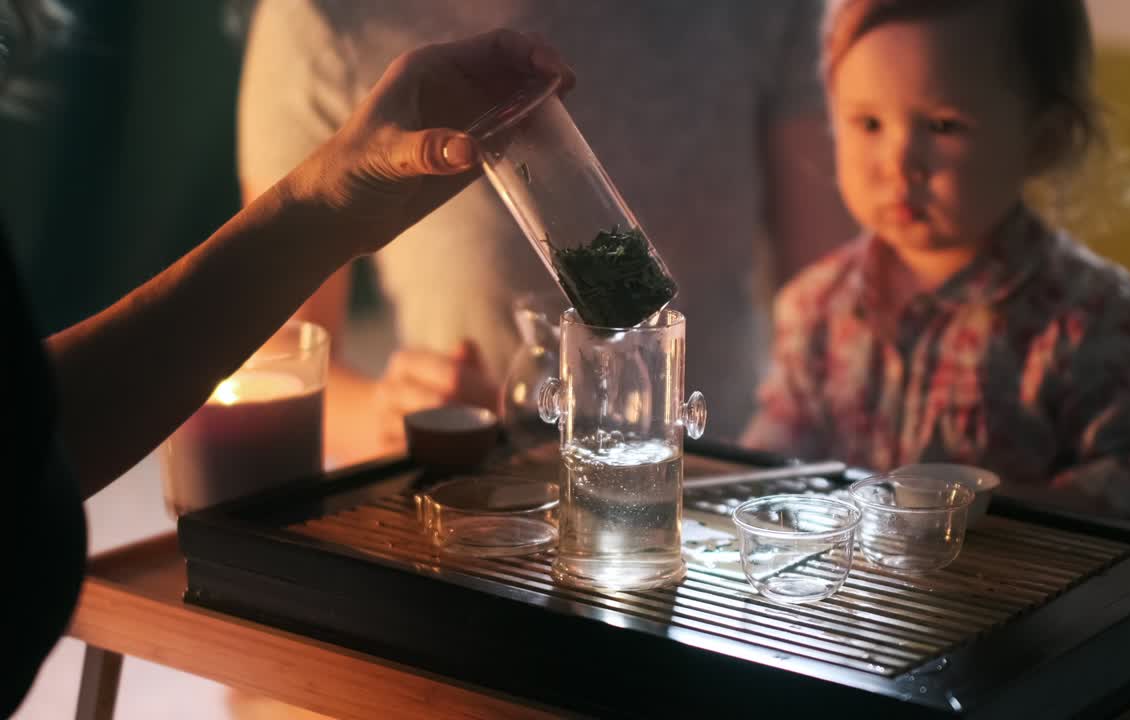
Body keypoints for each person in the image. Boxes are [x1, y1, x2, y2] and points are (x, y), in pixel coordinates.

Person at [3, 24, 575, 714]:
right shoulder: (322, 25)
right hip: (472, 567)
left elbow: (36, 425)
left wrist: (328, 206)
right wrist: (399, 407)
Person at [237, 0, 857, 462]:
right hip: (484, 508)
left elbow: (836, 309)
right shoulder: (327, 20)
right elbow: (268, 354)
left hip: (721, 489)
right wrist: (386, 415)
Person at [742, 0, 1130, 526]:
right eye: (868, 122)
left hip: (1020, 598)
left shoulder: (1091, 317)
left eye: (942, 125)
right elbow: (782, 448)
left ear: (1043, 141)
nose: (899, 162)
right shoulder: (815, 304)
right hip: (856, 598)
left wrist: (992, 514)